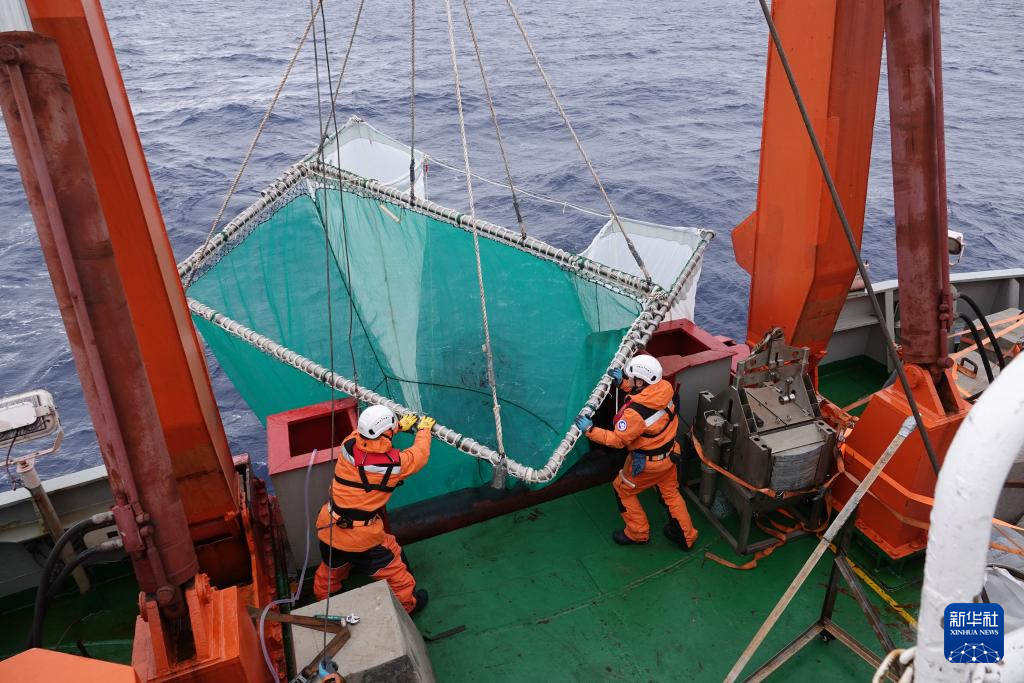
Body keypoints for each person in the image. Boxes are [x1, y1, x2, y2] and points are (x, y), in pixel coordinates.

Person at [313, 404, 435, 614]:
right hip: (361, 538)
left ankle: (323, 599)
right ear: (385, 431)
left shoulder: (348, 444)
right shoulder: (392, 465)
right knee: (394, 568)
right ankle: (409, 604)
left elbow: (368, 437)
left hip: (329, 526)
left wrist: (397, 428)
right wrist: (423, 431)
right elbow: (419, 456)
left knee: (331, 570)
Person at [575, 354, 699, 550]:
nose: (630, 380)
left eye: (632, 378)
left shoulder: (634, 414)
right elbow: (646, 395)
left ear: (640, 381)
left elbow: (618, 440)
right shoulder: (665, 388)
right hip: (670, 455)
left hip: (648, 464)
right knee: (670, 494)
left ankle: (637, 533)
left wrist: (590, 430)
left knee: (622, 489)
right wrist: (623, 383)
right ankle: (686, 535)